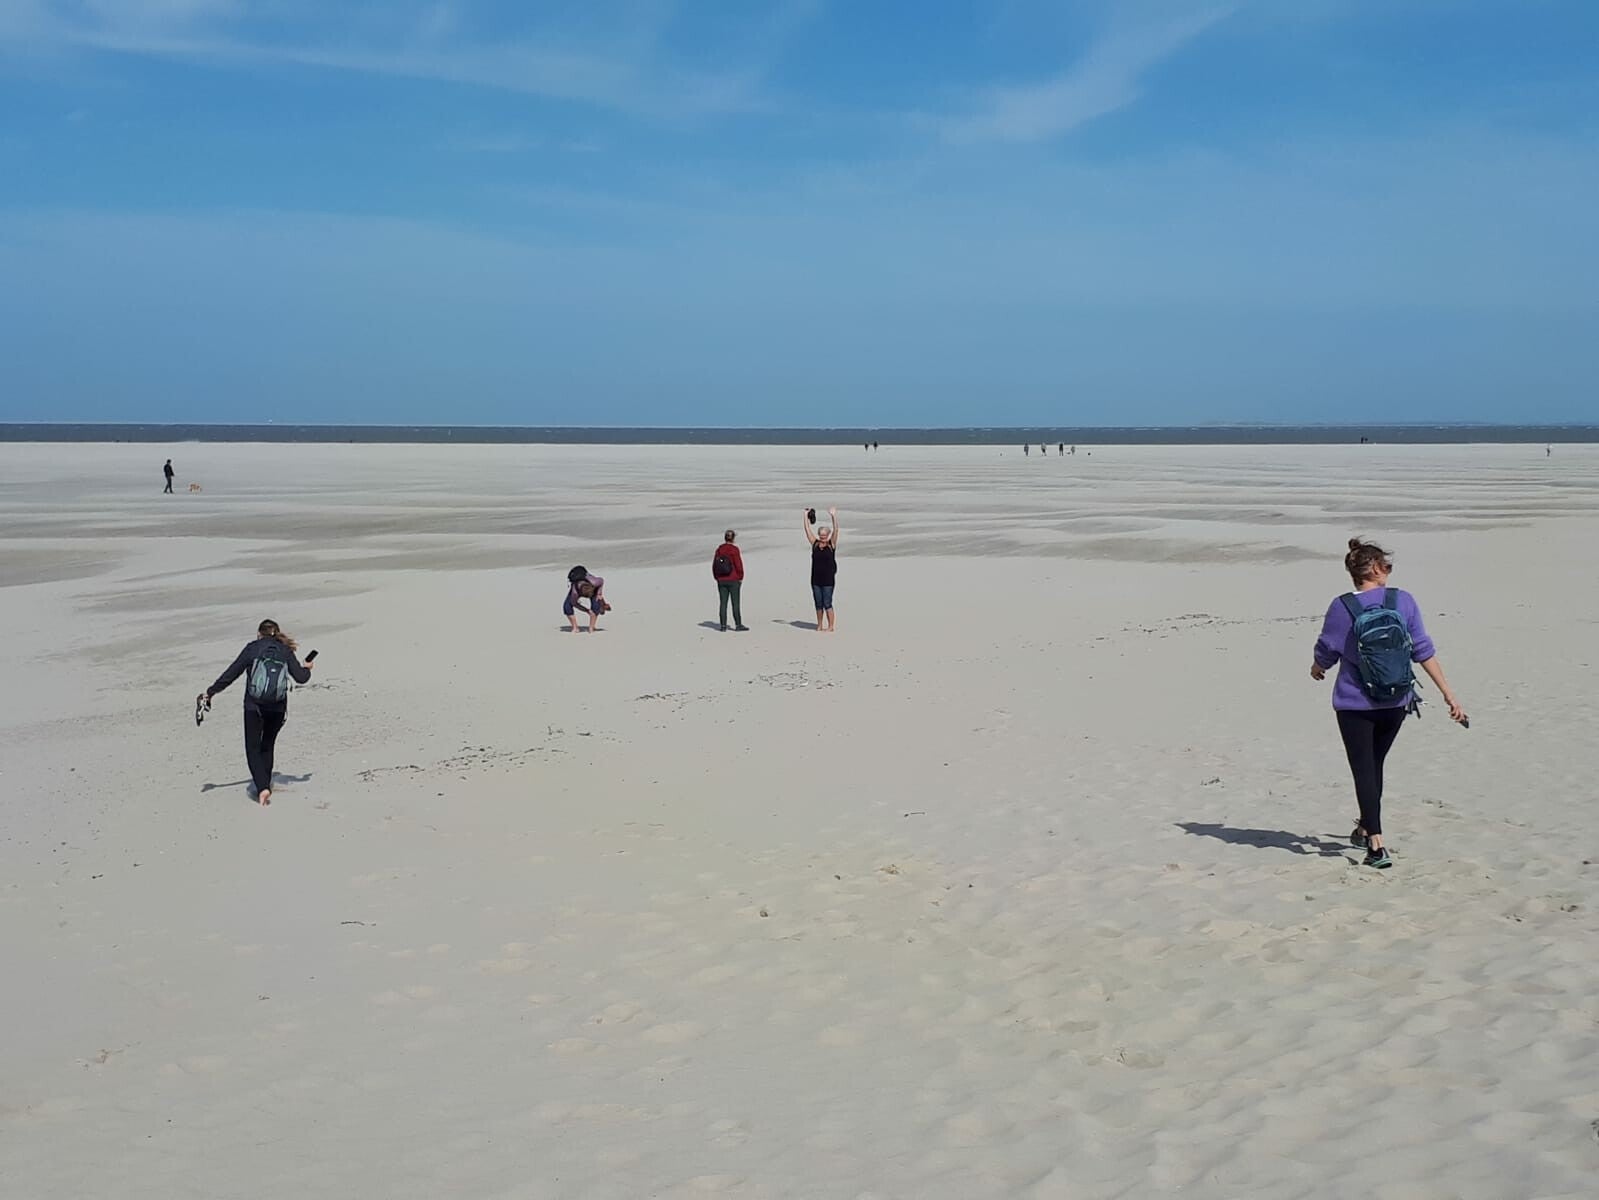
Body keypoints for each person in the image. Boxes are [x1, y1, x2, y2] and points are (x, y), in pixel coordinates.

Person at [1311, 538, 1467, 868]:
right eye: (1387, 567)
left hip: (1354, 704)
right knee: (1374, 765)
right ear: (1377, 569)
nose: (1389, 572)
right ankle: (1365, 826)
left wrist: (1317, 667)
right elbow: (1422, 649)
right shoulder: (1402, 600)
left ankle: (1376, 845)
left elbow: (1327, 648)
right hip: (1396, 701)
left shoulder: (1342, 607)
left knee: (1364, 770)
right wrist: (1448, 694)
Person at [203, 619, 313, 806]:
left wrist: (211, 692)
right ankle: (265, 784)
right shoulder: (285, 650)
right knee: (267, 745)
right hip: (277, 707)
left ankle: (263, 788)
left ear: (259, 634)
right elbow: (301, 678)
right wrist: (307, 668)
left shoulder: (252, 648)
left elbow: (231, 674)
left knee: (252, 748)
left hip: (253, 706)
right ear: (277, 633)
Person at [803, 506, 839, 632]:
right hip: (815, 580)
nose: (823, 537)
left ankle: (830, 626)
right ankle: (819, 625)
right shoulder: (815, 544)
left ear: (828, 535)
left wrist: (833, 516)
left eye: (825, 535)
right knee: (818, 604)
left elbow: (836, 530)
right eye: (821, 535)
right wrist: (805, 516)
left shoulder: (831, 544)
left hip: (828, 580)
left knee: (827, 603)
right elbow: (807, 530)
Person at [712, 530, 748, 631]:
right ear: (733, 538)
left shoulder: (719, 550)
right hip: (733, 579)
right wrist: (740, 577)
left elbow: (714, 565)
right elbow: (738, 565)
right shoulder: (734, 550)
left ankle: (723, 625)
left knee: (723, 603)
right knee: (735, 603)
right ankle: (738, 624)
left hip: (721, 579)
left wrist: (717, 577)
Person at [564, 566, 608, 633]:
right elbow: (574, 604)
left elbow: (601, 580)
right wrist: (586, 610)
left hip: (592, 586)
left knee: (596, 605)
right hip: (577, 588)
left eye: (590, 595)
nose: (588, 597)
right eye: (587, 596)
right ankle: (575, 628)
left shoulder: (594, 582)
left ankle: (591, 628)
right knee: (567, 606)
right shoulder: (575, 593)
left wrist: (599, 593)